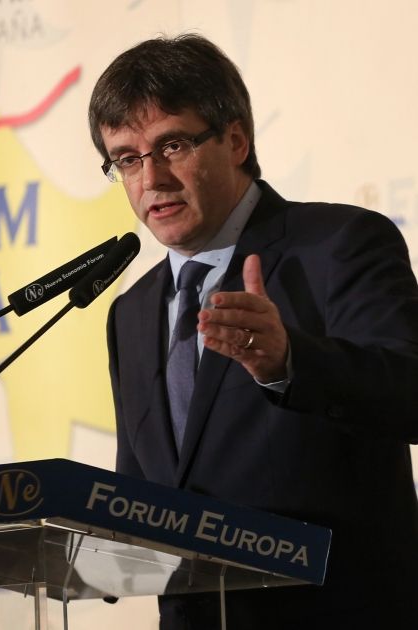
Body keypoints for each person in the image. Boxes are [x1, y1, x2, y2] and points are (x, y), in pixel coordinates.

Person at [88, 34, 418, 629]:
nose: (152, 178)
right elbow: (140, 493)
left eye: (172, 145)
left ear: (236, 140)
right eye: (128, 158)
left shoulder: (338, 246)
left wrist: (290, 363)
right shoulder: (130, 313)